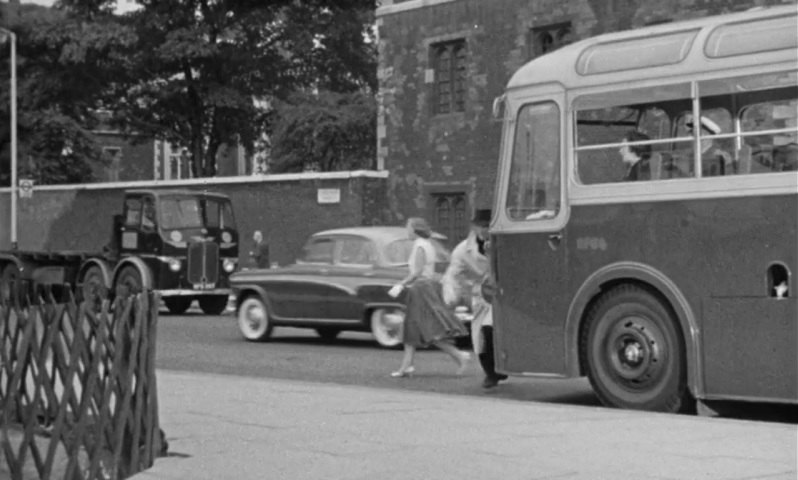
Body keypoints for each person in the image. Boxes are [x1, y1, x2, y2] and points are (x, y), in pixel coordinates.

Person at [388, 217, 471, 377]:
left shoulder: (419, 245)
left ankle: (459, 356)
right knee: (412, 328)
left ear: (415, 229)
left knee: (429, 329)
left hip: (420, 289)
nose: (407, 231)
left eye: (408, 227)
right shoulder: (428, 244)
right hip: (426, 288)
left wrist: (401, 284)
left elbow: (417, 272)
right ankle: (407, 366)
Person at [441, 209, 508, 389]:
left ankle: (499, 369)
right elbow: (453, 273)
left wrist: (492, 253)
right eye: (483, 226)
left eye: (489, 226)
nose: (486, 230)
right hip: (482, 295)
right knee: (479, 338)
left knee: (490, 329)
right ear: (475, 228)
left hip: (504, 294)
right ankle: (490, 373)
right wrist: (451, 294)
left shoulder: (504, 243)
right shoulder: (463, 250)